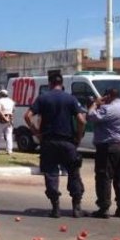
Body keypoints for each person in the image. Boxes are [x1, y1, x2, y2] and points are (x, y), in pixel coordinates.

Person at [24, 73, 86, 218]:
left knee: (51, 174)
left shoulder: (43, 98)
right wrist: (78, 136)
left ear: (50, 83)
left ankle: (55, 207)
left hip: (48, 142)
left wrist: (36, 133)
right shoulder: (70, 99)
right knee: (73, 173)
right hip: (67, 142)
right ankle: (76, 207)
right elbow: (82, 121)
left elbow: (27, 116)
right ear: (61, 83)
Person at [87, 88, 120, 219]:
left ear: (108, 96)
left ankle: (104, 207)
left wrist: (95, 104)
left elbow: (91, 116)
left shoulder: (107, 109)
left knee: (104, 177)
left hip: (109, 147)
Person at [0, 89, 15, 154]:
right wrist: (10, 119)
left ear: (1, 94)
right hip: (9, 118)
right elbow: (13, 111)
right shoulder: (11, 101)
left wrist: (4, 118)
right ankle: (9, 150)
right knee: (9, 135)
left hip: (2, 118)